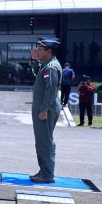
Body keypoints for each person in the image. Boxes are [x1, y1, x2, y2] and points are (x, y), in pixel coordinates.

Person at [30, 37, 63, 183]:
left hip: (46, 109)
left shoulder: (50, 68)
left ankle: (47, 174)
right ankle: (44, 171)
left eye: (41, 49)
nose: (37, 51)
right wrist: (36, 59)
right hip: (45, 108)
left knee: (45, 141)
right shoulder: (47, 65)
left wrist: (43, 109)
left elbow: (51, 90)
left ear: (48, 51)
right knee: (43, 140)